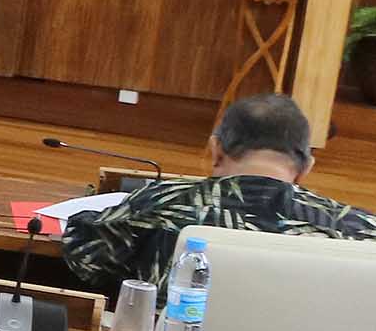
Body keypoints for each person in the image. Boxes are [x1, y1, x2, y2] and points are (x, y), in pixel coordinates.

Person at [62, 94, 376, 296]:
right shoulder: (357, 230)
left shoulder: (163, 204)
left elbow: (84, 255)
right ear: (305, 168)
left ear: (216, 151)